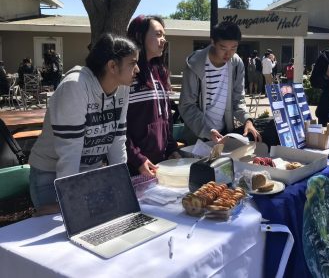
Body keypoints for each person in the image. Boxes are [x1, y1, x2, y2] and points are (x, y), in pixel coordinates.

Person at [28, 33, 139, 214]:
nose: (138, 69)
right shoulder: (75, 86)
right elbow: (69, 153)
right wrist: (70, 201)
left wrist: (123, 188)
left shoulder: (123, 89)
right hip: (52, 174)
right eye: (133, 63)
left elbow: (117, 142)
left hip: (88, 172)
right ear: (112, 66)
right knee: (60, 232)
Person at [179, 21, 261, 143]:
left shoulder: (236, 63)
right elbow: (187, 105)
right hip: (198, 135)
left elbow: (238, 100)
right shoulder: (195, 64)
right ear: (213, 42)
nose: (228, 54)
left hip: (224, 133)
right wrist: (207, 130)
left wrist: (247, 120)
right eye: (223, 48)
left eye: (234, 48)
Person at [126, 15, 180, 177]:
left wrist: (171, 148)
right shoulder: (127, 73)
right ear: (139, 36)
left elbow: (166, 119)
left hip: (160, 165)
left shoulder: (159, 72)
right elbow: (117, 127)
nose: (163, 40)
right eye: (158, 34)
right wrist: (138, 159)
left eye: (164, 35)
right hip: (134, 167)